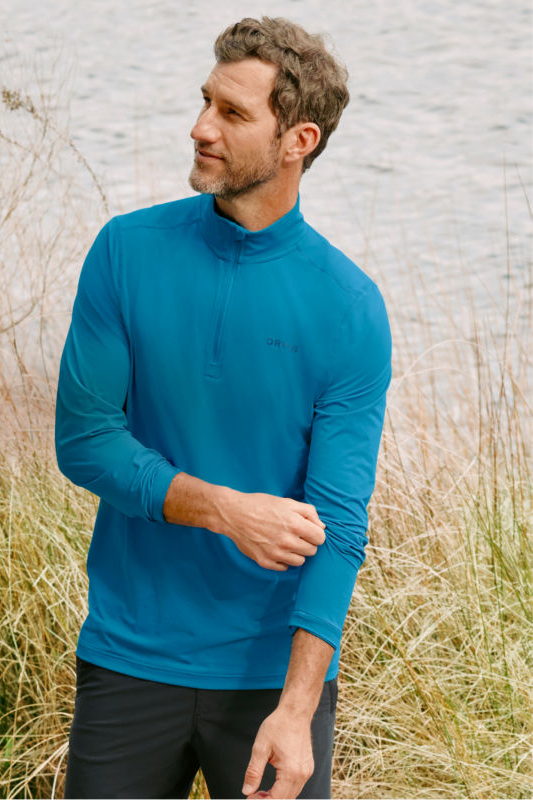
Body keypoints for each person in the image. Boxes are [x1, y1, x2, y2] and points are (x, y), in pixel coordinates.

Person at [56, 15, 392, 800]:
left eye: (232, 114)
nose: (200, 127)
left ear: (296, 139)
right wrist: (223, 510)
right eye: (206, 101)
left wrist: (299, 708)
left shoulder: (348, 308)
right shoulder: (124, 251)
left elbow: (338, 523)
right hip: (127, 657)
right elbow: (87, 441)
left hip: (272, 681)